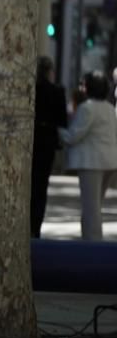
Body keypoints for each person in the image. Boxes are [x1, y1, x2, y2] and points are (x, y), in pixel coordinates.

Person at [58, 70, 117, 241]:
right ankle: (91, 240)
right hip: (110, 161)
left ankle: (93, 243)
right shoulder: (109, 108)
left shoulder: (87, 108)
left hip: (91, 163)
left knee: (91, 208)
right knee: (95, 205)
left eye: (83, 84)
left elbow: (73, 135)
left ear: (89, 88)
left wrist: (56, 130)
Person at [31, 57, 67, 238]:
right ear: (50, 70)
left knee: (28, 184)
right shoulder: (57, 91)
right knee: (41, 186)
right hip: (48, 142)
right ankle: (35, 226)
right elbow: (63, 120)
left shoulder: (30, 89)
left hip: (30, 140)